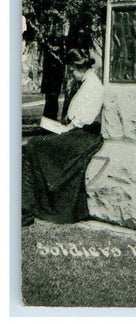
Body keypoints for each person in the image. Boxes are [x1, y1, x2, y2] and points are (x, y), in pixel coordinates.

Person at [22, 49, 104, 227]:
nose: (72, 75)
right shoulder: (88, 82)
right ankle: (27, 205)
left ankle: (27, 209)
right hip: (76, 132)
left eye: (72, 70)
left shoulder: (92, 86)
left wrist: (65, 129)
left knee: (33, 146)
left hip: (83, 135)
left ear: (78, 67)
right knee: (33, 146)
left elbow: (83, 119)